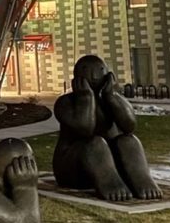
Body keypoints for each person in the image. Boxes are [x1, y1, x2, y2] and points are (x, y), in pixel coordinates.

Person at [52, 54, 162, 201]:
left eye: (100, 70)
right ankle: (109, 183)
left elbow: (130, 126)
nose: (94, 75)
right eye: (87, 71)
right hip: (74, 168)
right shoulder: (65, 103)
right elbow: (85, 129)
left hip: (111, 165)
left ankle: (141, 179)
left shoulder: (110, 99)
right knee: (94, 143)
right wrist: (86, 98)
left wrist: (111, 96)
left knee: (129, 140)